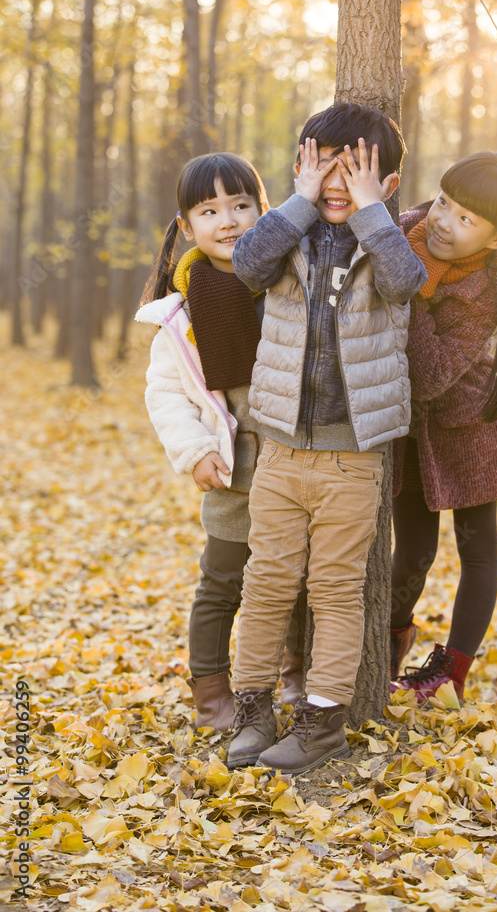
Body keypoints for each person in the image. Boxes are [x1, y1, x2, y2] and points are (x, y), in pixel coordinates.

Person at [226, 103, 427, 775]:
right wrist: (298, 203)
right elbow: (247, 267)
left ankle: (320, 724)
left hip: (351, 456)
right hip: (280, 448)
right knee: (266, 585)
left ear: (387, 184)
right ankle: (251, 710)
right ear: (300, 169)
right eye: (324, 167)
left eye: (356, 171)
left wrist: (372, 214)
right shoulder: (285, 234)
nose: (338, 182)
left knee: (336, 593)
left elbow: (405, 284)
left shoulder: (388, 240)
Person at [135, 152, 305, 734]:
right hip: (233, 465)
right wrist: (194, 451)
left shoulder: (287, 279)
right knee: (222, 582)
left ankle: (297, 673)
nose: (228, 220)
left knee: (298, 577)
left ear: (265, 210)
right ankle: (211, 691)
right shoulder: (179, 314)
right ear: (187, 225)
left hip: (294, 459)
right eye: (210, 210)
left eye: (240, 205)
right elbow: (165, 394)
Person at [390, 151, 497, 704]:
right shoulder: (407, 229)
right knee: (414, 551)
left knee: (477, 549)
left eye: (467, 218)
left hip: (470, 429)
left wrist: (410, 285)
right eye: (446, 202)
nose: (445, 222)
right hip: (412, 435)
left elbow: (427, 377)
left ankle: (451, 669)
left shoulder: (482, 297)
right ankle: (392, 634)